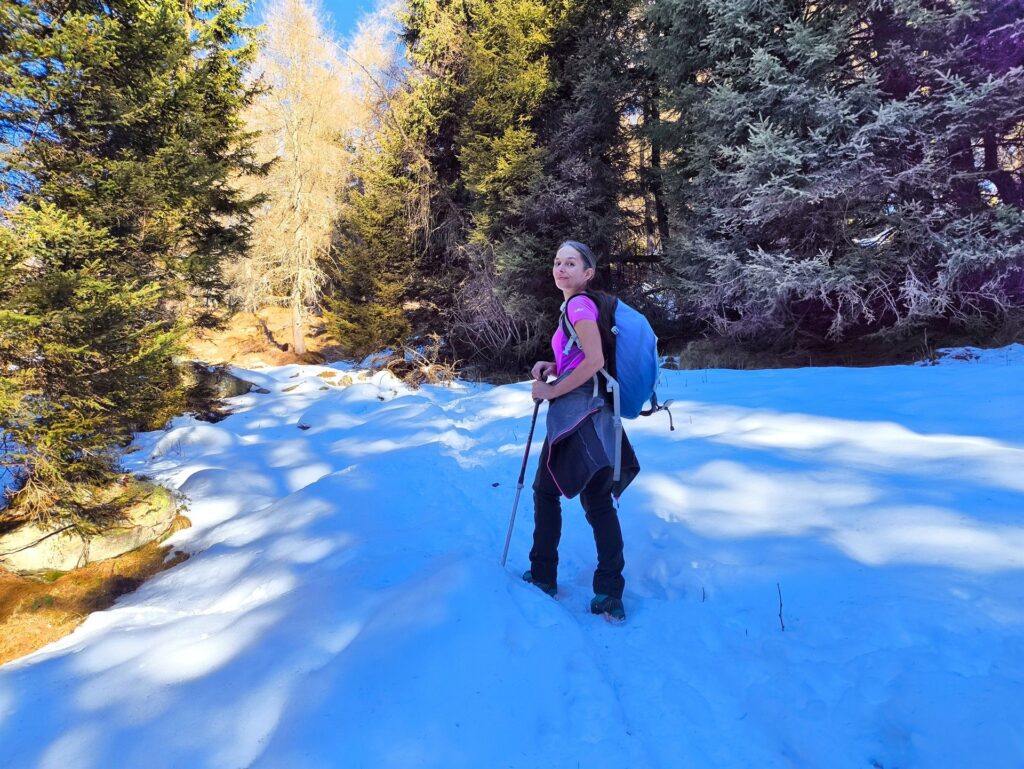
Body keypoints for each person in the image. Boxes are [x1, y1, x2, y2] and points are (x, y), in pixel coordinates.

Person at [523, 240, 640, 620]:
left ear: (587, 273)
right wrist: (552, 365)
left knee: (545, 491)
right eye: (557, 261)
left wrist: (553, 390)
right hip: (598, 413)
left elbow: (595, 359)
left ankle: (543, 576)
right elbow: (580, 359)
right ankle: (609, 592)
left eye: (570, 263)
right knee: (598, 501)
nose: (561, 268)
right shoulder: (577, 306)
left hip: (577, 414)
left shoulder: (578, 305)